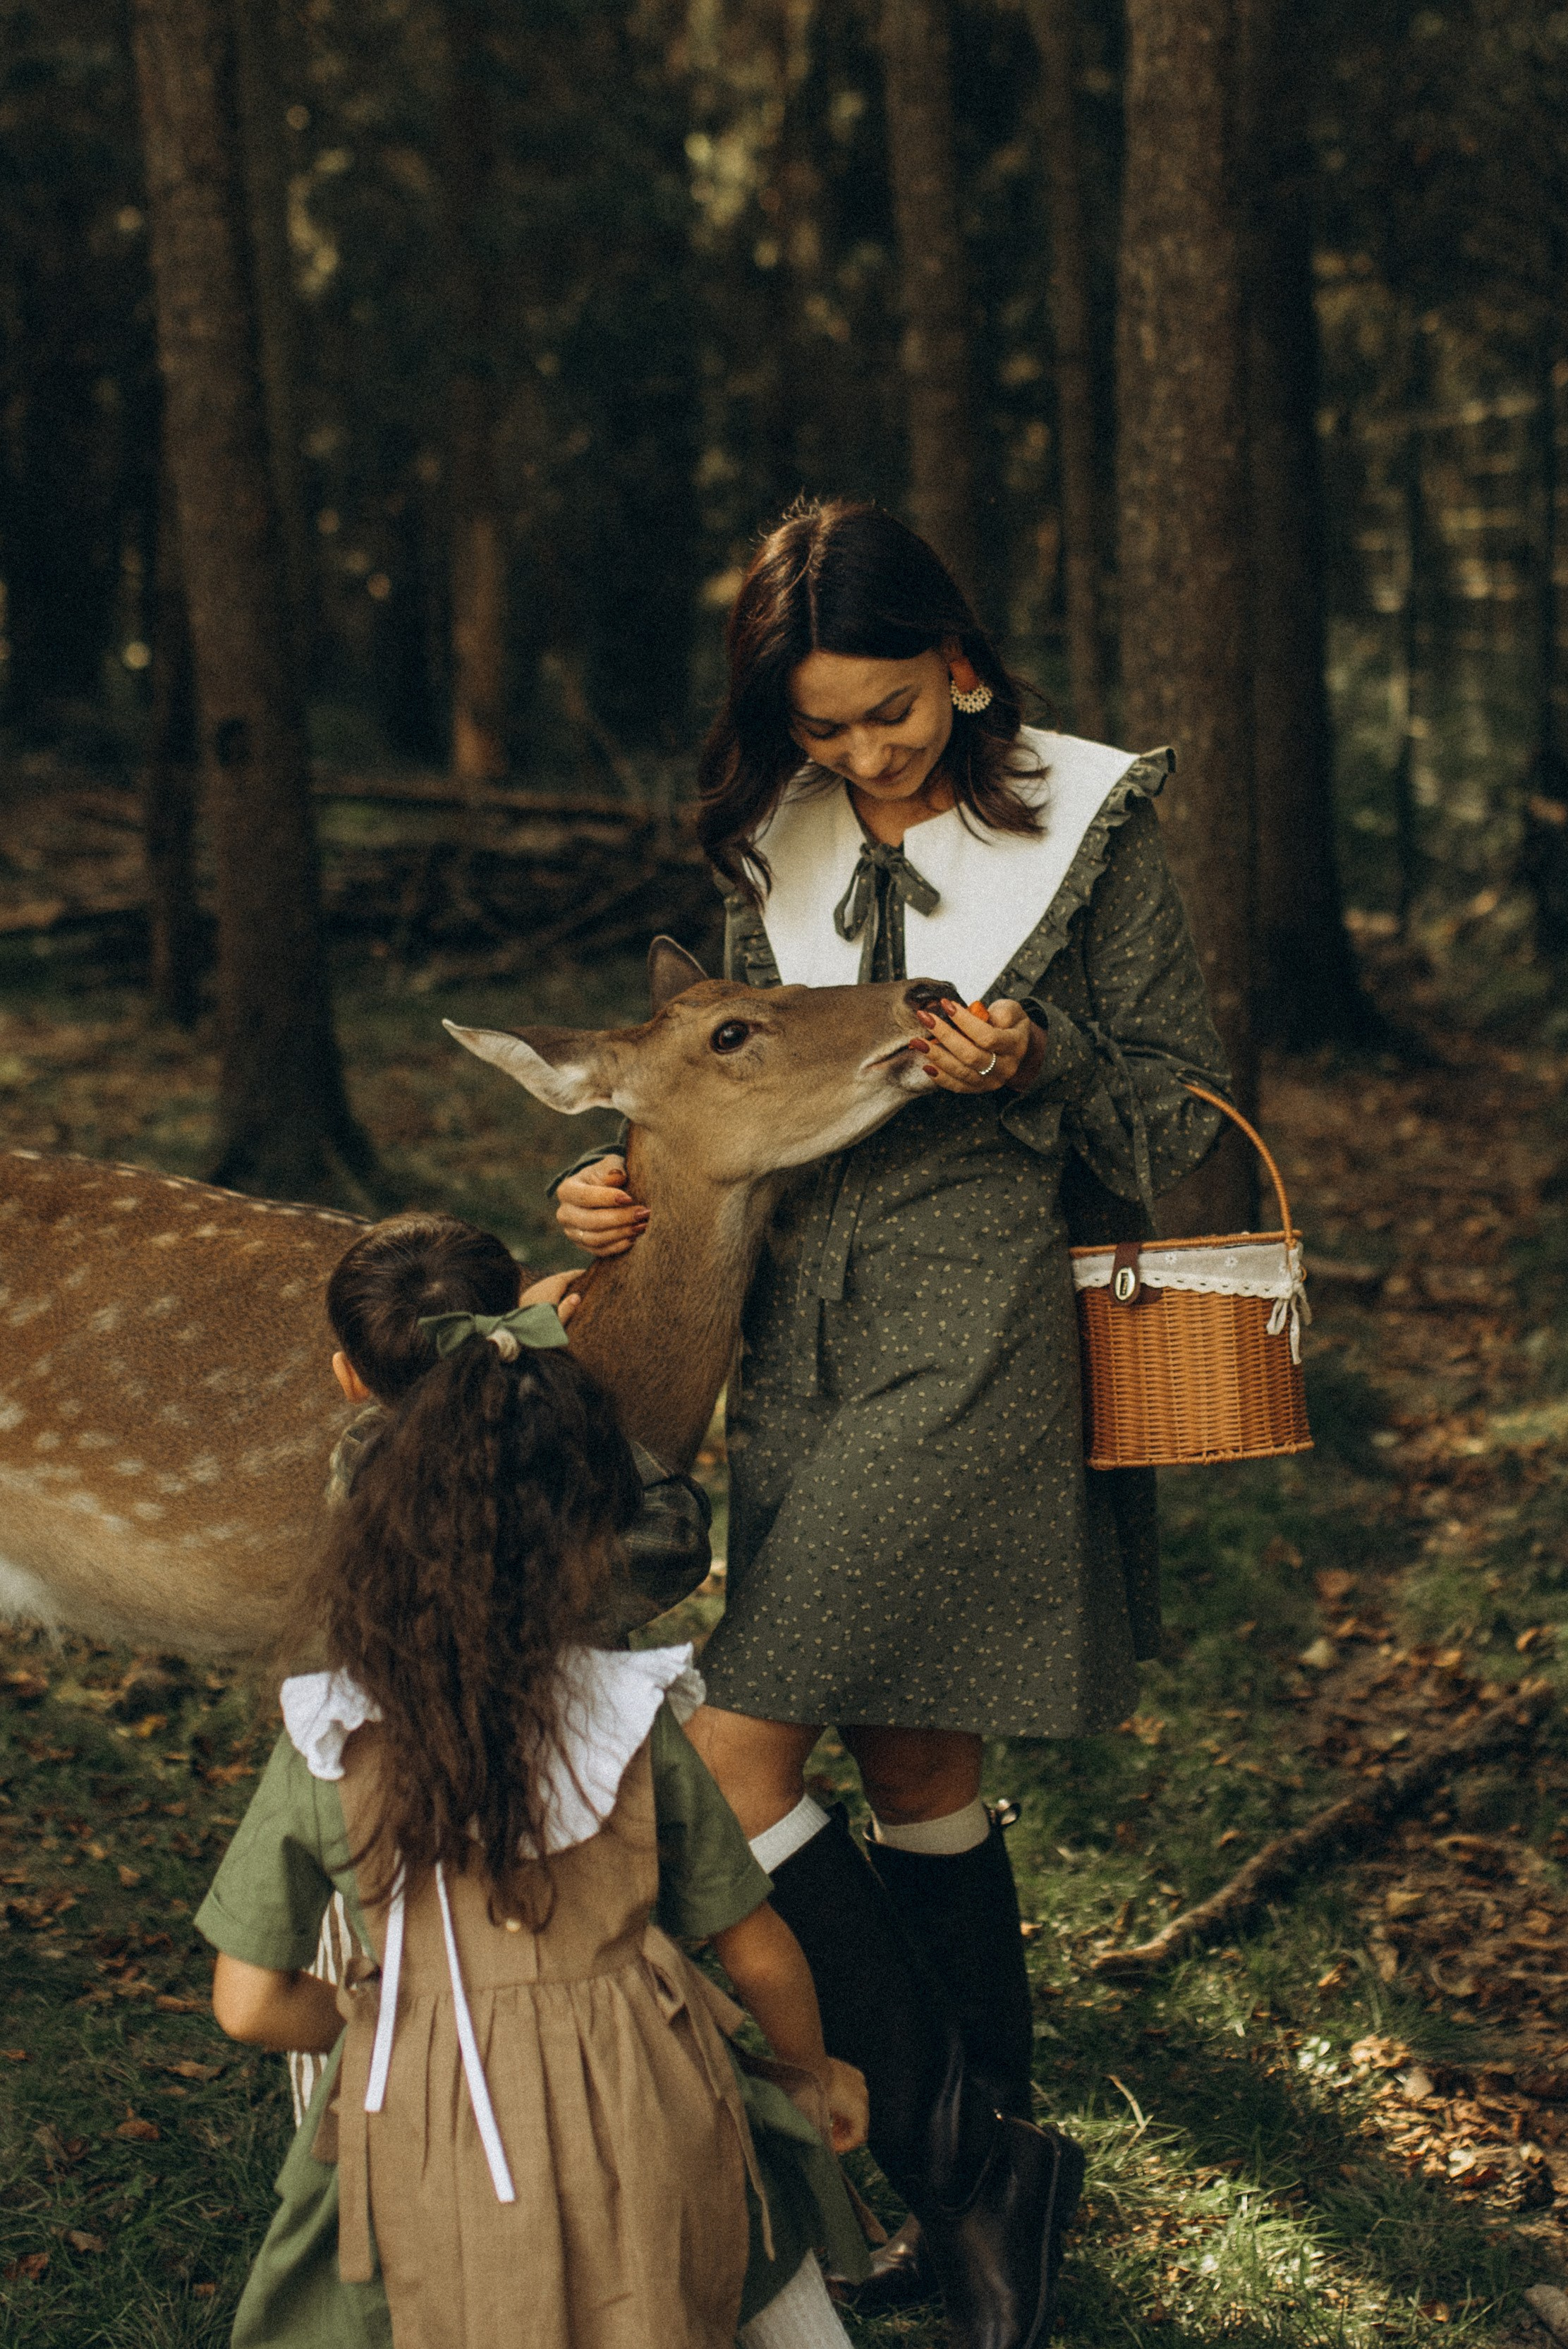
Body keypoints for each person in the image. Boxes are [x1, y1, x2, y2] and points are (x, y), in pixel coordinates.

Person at [554, 498, 1231, 2344]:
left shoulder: (1087, 834)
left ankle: (960, 2171)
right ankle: (997, 2181)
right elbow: (718, 1081)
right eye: (821, 727)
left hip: (972, 1336)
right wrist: (622, 1198)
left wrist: (1048, 1058)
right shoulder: (766, 843)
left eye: (888, 716)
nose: (857, 755)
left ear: (964, 665)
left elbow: (1185, 1110)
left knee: (728, 1767)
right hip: (796, 1342)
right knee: (921, 1771)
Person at [195, 1213, 871, 2349]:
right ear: (578, 1534)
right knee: (731, 2218)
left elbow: (251, 2003)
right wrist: (808, 2074)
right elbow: (756, 1948)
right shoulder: (624, 1724)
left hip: (424, 2125)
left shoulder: (331, 1738)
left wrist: (371, 2023)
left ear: (347, 1381)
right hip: (645, 2099)